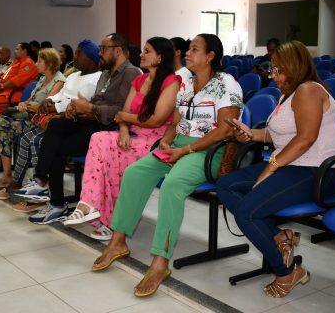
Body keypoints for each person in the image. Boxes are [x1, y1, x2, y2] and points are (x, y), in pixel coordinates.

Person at [92, 34, 243, 298]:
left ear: (210, 57)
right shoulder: (185, 80)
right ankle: (117, 242)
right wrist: (167, 141)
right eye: (188, 49)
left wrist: (184, 149)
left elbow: (224, 131)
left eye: (195, 50)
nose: (188, 53)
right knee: (135, 173)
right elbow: (175, 120)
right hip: (178, 144)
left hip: (208, 150)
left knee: (172, 185)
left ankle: (160, 262)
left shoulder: (226, 84)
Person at [216, 40, 335, 298]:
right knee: (225, 184)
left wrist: (270, 168)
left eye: (279, 70)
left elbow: (306, 138)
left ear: (295, 68)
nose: (274, 76)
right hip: (291, 164)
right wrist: (251, 134)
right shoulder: (288, 94)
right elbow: (277, 136)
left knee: (247, 212)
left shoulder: (308, 90)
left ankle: (287, 272)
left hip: (316, 171)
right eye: (272, 69)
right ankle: (279, 236)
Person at [11, 33, 140, 224]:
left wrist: (90, 108)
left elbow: (122, 110)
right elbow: (95, 101)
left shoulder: (131, 73)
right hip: (91, 120)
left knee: (56, 148)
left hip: (108, 129)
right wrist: (77, 108)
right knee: (56, 124)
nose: (100, 53)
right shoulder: (106, 73)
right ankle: (42, 184)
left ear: (119, 50)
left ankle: (54, 201)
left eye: (103, 49)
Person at [63, 37, 181, 241]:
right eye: (143, 50)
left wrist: (124, 118)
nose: (142, 54)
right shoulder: (140, 80)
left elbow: (156, 120)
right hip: (133, 135)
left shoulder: (172, 82)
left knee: (115, 157)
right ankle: (88, 204)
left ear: (160, 57)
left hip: (155, 141)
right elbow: (123, 114)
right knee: (99, 139)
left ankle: (108, 220)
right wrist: (124, 130)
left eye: (147, 51)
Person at [0, 41, 102, 213]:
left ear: (91, 58)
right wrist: (49, 100)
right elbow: (60, 95)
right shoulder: (73, 76)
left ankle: (43, 187)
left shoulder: (97, 78)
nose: (74, 57)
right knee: (29, 135)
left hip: (76, 121)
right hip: (60, 119)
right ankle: (33, 184)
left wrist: (54, 106)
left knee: (39, 139)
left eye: (78, 54)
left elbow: (79, 104)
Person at [0, 48, 66, 189]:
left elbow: (47, 105)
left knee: (4, 124)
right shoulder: (42, 79)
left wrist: (27, 107)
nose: (36, 64)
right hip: (29, 115)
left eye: (39, 61)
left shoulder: (59, 80)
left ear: (49, 64)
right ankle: (8, 175)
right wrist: (24, 103)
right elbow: (32, 98)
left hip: (40, 119)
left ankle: (11, 175)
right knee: (4, 122)